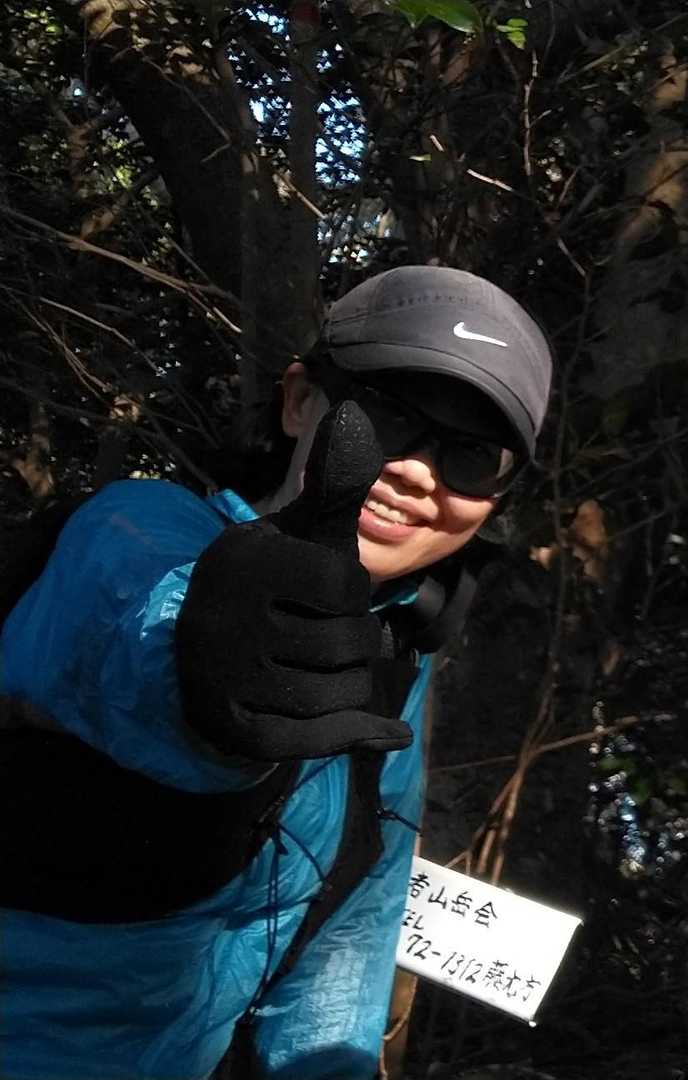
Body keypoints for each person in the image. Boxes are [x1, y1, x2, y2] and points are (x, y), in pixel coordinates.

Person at [0, 265, 552, 1079]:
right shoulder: (136, 525)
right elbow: (138, 624)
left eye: (471, 454)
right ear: (299, 401)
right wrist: (214, 676)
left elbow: (353, 932)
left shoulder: (400, 657)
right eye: (387, 416)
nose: (418, 471)